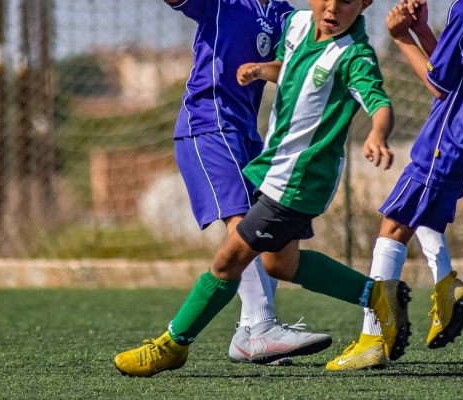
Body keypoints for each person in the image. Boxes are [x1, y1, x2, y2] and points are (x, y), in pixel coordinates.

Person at [114, 0, 412, 377]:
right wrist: (261, 70)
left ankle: (180, 343)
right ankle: (369, 299)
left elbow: (377, 100)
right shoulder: (278, 18)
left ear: (364, 4)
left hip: (292, 175)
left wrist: (377, 133)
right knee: (278, 261)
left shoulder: (338, 45)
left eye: (347, 1)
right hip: (237, 143)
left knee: (233, 256)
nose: (333, 7)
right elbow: (296, 70)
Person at [326, 0, 463, 370]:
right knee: (425, 208)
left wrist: (401, 37)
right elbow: (460, 71)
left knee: (394, 223)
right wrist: (423, 31)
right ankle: (446, 286)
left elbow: (438, 86)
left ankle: (372, 340)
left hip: (461, 135)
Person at [159, 0, 332, 366]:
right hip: (209, 125)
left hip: (247, 134)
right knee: (245, 225)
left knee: (271, 230)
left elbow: (300, 63)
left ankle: (246, 334)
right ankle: (264, 327)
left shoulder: (283, 14)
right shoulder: (222, 3)